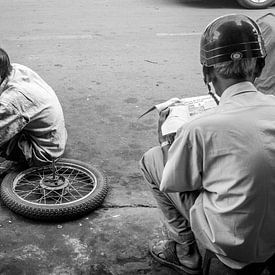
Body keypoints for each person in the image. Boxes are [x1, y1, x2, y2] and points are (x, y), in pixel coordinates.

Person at [140, 14, 275, 274]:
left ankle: (185, 252)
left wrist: (165, 141)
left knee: (151, 161)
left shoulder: (199, 128)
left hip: (232, 244)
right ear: (258, 67)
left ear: (208, 73)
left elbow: (173, 182)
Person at [0, 48, 67, 168]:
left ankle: (23, 160)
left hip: (43, 151)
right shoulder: (15, 69)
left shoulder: (11, 100)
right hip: (54, 135)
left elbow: (10, 106)